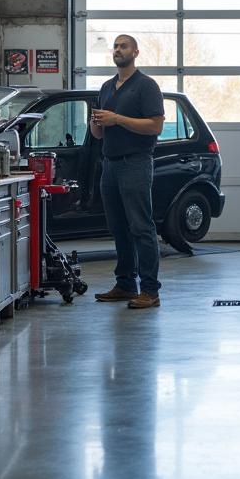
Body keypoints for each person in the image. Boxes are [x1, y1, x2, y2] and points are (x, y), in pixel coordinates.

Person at [91, 34, 166, 309]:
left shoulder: (146, 86)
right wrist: (97, 124)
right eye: (115, 46)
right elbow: (98, 134)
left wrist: (117, 119)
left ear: (135, 52)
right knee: (118, 228)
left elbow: (155, 126)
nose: (118, 50)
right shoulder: (107, 87)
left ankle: (150, 290)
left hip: (135, 163)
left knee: (141, 227)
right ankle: (125, 284)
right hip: (109, 164)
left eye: (123, 46)